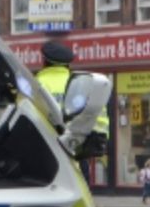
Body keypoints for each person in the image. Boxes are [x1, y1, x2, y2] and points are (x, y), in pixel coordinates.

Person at [36, 41, 109, 179]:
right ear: (67, 64)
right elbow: (99, 117)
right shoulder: (84, 84)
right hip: (78, 154)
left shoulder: (36, 84)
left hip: (46, 155)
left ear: (44, 61)